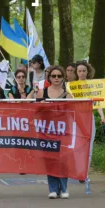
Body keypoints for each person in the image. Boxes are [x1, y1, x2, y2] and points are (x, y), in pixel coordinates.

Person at [36, 66, 73, 199]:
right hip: (46, 131)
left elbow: (72, 113)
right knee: (50, 160)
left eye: (59, 76)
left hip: (62, 131)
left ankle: (63, 188)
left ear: (63, 77)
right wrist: (42, 105)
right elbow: (34, 111)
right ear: (49, 78)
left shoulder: (68, 94)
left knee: (63, 160)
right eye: (54, 76)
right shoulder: (41, 92)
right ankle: (52, 189)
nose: (56, 78)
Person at [74, 61, 105, 182]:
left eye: (84, 71)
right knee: (78, 145)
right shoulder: (72, 86)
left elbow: (97, 102)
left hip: (89, 116)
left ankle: (85, 173)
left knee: (89, 144)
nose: (82, 73)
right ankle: (78, 170)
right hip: (76, 118)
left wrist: (101, 115)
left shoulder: (93, 85)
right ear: (76, 73)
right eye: (79, 71)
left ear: (88, 72)